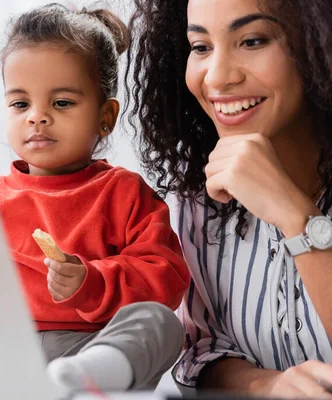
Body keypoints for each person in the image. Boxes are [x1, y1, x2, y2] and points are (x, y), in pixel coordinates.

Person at [127, 0, 332, 397]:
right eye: (201, 47)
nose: (217, 77)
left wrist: (296, 217)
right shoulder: (201, 201)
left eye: (252, 40)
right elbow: (204, 350)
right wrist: (267, 386)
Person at [0, 3, 190, 396]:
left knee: (161, 324)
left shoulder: (124, 192)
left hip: (94, 348)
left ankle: (84, 381)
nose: (37, 117)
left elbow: (166, 277)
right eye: (20, 104)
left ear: (105, 117)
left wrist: (91, 281)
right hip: (7, 351)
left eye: (61, 103)